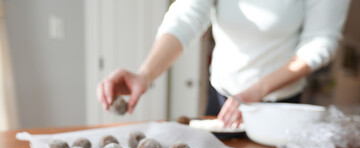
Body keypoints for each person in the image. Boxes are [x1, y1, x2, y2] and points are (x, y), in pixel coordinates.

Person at [97, 0, 351, 128]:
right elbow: (188, 13)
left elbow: (321, 40)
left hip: (279, 105)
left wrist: (257, 90)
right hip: (221, 98)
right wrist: (145, 74)